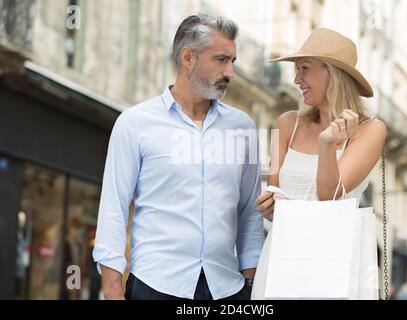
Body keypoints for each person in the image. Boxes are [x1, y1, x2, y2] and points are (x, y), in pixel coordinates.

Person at [93, 14, 263, 300]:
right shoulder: (135, 123)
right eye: (221, 59)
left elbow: (249, 210)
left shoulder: (242, 128)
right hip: (154, 285)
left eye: (232, 61)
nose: (229, 73)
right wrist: (112, 289)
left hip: (227, 289)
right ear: (188, 58)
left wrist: (250, 282)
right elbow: (113, 208)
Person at [251, 28, 387, 299]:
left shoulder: (371, 130)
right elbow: (274, 191)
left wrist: (328, 145)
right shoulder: (285, 123)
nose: (296, 79)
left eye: (303, 68)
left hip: (334, 264)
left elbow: (330, 196)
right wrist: (268, 206)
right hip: (282, 258)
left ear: (332, 73)